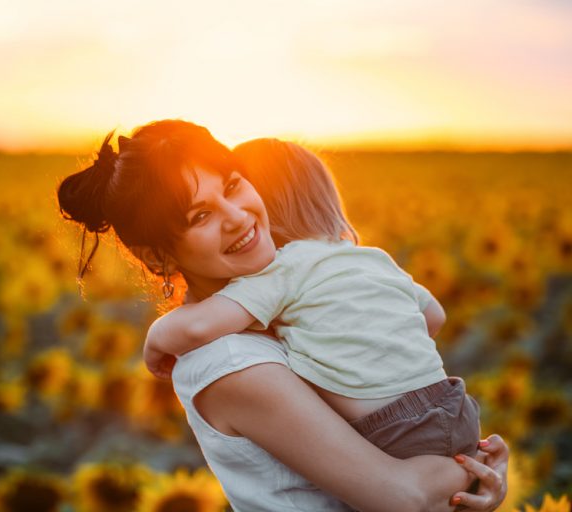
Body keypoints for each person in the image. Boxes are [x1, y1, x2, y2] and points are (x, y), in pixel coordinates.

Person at [57, 120, 508, 511]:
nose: (237, 217)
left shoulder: (287, 311)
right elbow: (404, 500)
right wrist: (476, 470)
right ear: (157, 257)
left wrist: (474, 477)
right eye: (200, 215)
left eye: (232, 184)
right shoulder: (231, 363)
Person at [143, 137, 480, 461]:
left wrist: (157, 337)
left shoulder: (283, 270)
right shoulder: (372, 258)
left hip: (397, 430)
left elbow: (201, 324)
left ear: (267, 212)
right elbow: (434, 316)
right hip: (455, 405)